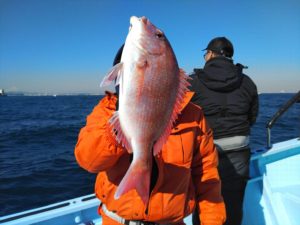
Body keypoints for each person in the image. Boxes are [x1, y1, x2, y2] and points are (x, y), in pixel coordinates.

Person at [74, 45, 226, 225]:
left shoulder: (192, 115)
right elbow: (89, 160)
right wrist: (118, 126)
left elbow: (206, 175)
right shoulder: (106, 111)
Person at [189, 37, 258, 225]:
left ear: (211, 54)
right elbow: (253, 116)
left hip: (206, 154)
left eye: (205, 54)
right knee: (234, 204)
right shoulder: (248, 82)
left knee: (206, 202)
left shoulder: (193, 82)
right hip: (239, 151)